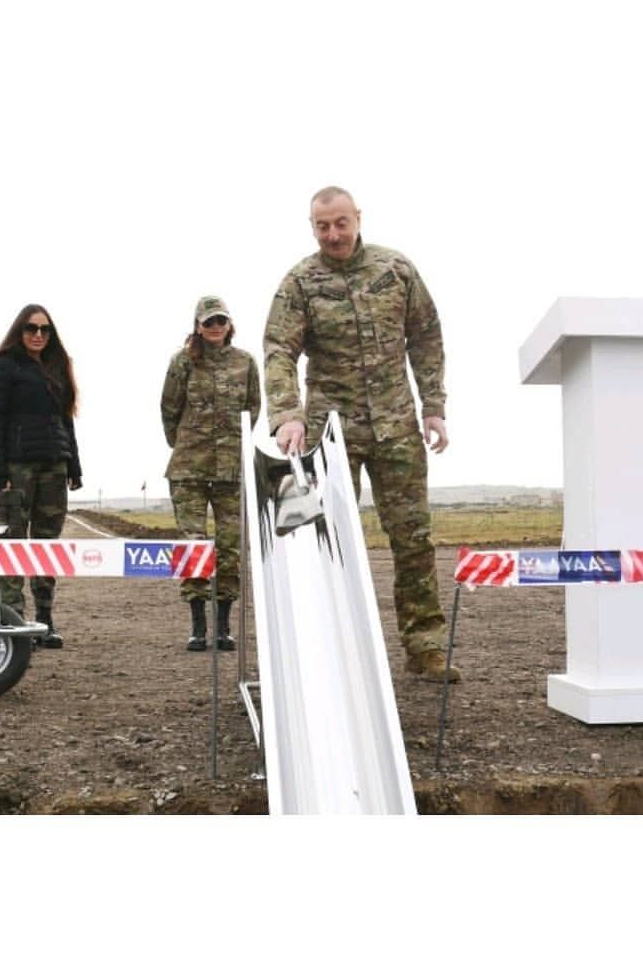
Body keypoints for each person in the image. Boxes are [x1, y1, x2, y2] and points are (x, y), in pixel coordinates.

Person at [263, 186, 459, 683]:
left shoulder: (396, 270)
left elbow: (426, 336)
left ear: (357, 219)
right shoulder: (300, 282)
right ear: (312, 227)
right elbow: (279, 350)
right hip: (332, 432)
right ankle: (331, 652)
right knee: (327, 541)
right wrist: (287, 414)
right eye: (322, 226)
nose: (333, 234)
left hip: (397, 426)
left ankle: (425, 647)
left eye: (340, 223)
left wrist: (434, 406)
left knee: (413, 539)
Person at [161, 295, 261, 651]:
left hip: (231, 472)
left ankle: (223, 626)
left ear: (229, 324)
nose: (215, 327)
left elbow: (252, 410)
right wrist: (186, 445)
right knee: (194, 546)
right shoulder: (183, 362)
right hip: (188, 470)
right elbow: (169, 410)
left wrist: (233, 446)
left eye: (221, 321)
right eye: (208, 322)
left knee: (230, 547)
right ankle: (198, 625)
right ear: (198, 326)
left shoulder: (245, 363)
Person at [0, 303, 82, 649]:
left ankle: (44, 620)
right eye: (31, 328)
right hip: (17, 468)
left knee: (46, 545)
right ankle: (14, 623)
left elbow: (66, 419)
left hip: (55, 466)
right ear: (19, 330)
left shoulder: (57, 365)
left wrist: (74, 465)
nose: (38, 335)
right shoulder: (3, 366)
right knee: (13, 543)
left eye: (45, 329)